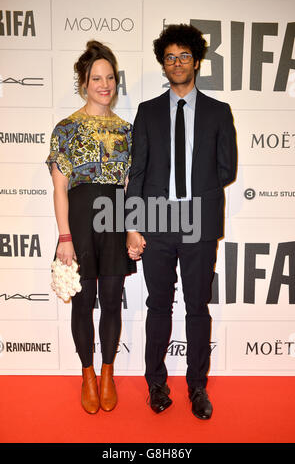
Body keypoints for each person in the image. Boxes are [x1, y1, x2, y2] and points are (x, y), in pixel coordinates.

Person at [126, 24, 237, 420]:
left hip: (199, 221)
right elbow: (136, 173)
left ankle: (197, 387)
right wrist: (134, 223)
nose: (177, 63)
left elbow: (227, 170)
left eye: (184, 56)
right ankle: (156, 383)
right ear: (163, 63)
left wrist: (193, 192)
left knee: (196, 306)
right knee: (158, 305)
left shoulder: (219, 112)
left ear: (196, 60)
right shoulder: (148, 111)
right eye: (170, 57)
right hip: (156, 221)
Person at [46, 40, 136, 414]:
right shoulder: (66, 129)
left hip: (115, 220)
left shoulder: (128, 132)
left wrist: (132, 229)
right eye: (96, 78)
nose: (104, 85)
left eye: (110, 77)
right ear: (83, 83)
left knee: (112, 302)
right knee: (82, 305)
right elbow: (60, 188)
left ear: (116, 82)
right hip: (80, 223)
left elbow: (131, 188)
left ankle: (108, 374)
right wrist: (64, 237)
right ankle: (86, 374)